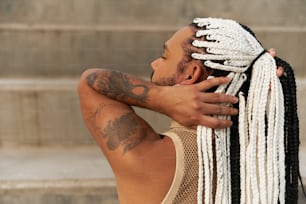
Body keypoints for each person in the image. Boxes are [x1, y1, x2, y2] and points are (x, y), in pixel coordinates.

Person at [78, 17, 298, 203]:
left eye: (164, 56)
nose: (155, 63)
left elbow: (91, 84)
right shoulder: (263, 160)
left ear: (190, 75)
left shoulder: (151, 157)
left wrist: (161, 98)